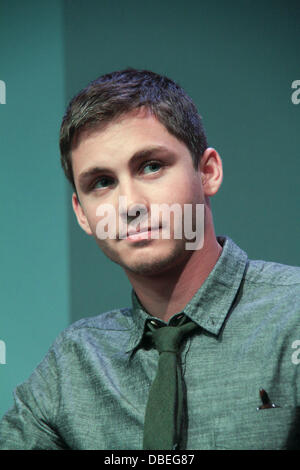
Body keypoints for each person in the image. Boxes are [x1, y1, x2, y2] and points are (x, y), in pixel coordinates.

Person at [0, 68, 300, 450]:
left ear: (207, 172)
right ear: (82, 214)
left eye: (151, 166)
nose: (129, 206)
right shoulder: (72, 367)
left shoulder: (293, 317)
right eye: (102, 183)